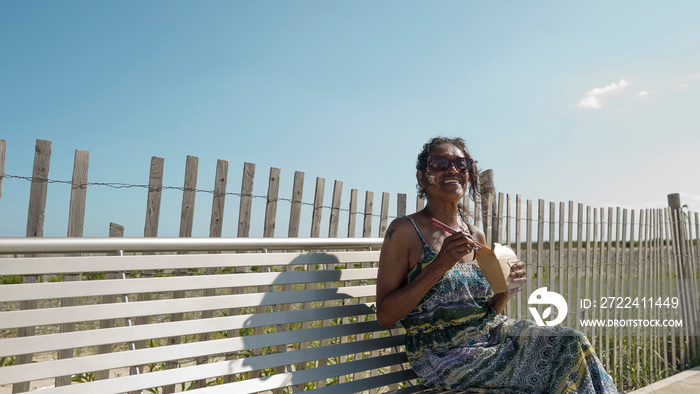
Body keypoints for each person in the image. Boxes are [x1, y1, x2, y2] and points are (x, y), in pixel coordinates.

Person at [376, 137, 618, 393]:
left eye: (462, 163)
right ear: (422, 177)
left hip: (491, 338)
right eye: (440, 163)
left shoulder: (475, 235)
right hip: (447, 355)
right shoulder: (404, 230)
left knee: (571, 342)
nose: (453, 169)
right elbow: (385, 315)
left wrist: (505, 290)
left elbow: (484, 314)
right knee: (553, 368)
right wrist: (439, 266)